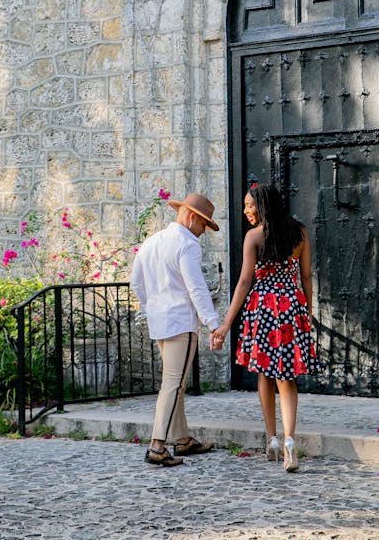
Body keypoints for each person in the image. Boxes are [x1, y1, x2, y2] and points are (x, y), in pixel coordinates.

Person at [212, 183, 321, 472]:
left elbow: (245, 282)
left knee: (264, 372)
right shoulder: (300, 232)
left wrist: (226, 323)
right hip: (291, 307)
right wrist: (306, 313)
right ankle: (289, 441)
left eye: (250, 205)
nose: (246, 210)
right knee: (287, 378)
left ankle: (272, 439)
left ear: (263, 205)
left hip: (262, 309)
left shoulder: (254, 237)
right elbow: (307, 277)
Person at [131, 192, 221, 467]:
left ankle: (182, 439)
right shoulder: (187, 244)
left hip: (160, 321)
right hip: (180, 322)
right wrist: (213, 323)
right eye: (204, 225)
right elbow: (196, 287)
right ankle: (157, 446)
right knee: (173, 383)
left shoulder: (152, 241)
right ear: (192, 216)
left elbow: (136, 282)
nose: (203, 232)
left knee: (176, 382)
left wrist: (152, 307)